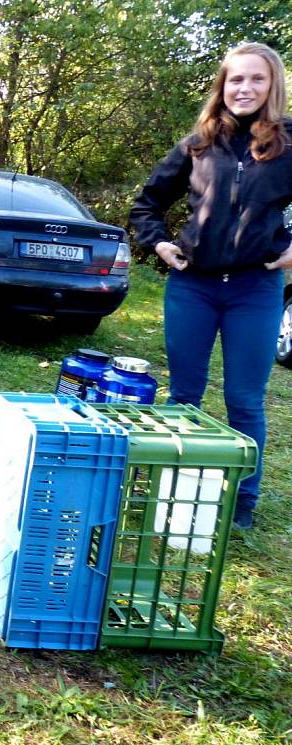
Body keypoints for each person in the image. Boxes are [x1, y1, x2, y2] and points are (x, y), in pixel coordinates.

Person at [130, 42, 292, 530]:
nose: (244, 88)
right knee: (184, 396)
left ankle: (242, 503)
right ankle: (172, 494)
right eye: (235, 79)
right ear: (223, 86)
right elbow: (146, 203)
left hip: (255, 290)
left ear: (273, 86)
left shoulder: (289, 143)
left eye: (256, 79)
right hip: (193, 287)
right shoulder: (198, 143)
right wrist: (157, 244)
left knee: (245, 400)